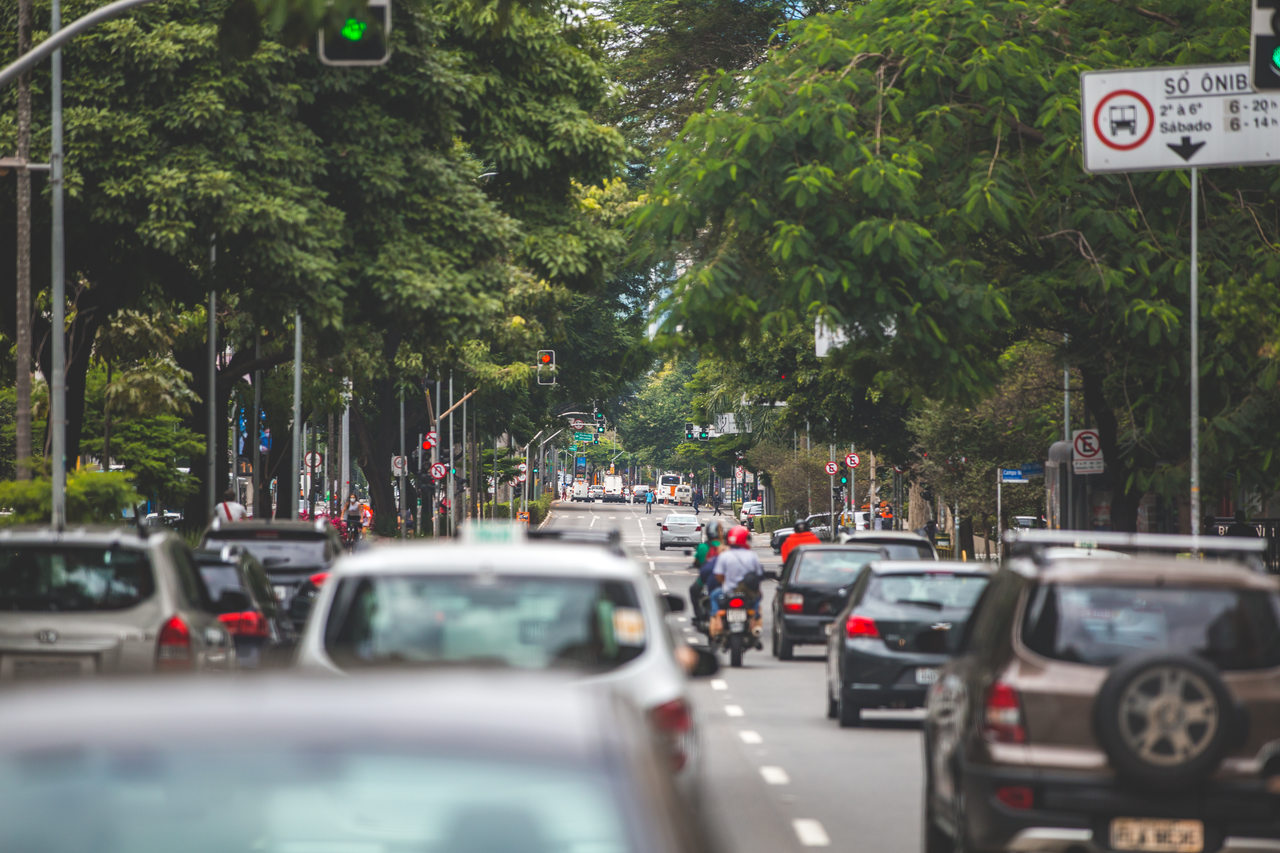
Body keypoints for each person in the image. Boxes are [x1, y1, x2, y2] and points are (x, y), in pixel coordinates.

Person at [710, 525, 764, 639]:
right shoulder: (752, 556)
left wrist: (725, 582)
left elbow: (718, 575)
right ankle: (755, 619)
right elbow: (759, 574)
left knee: (714, 596)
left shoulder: (724, 556)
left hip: (728, 591)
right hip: (747, 593)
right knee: (758, 597)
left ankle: (718, 620)